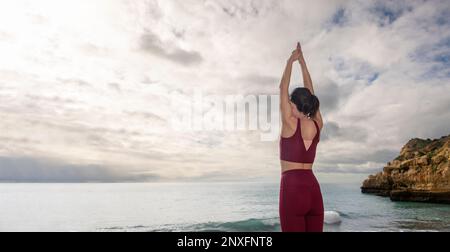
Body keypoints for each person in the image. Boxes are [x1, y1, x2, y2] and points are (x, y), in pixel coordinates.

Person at [278, 42, 324, 232]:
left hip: (292, 189)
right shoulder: (317, 123)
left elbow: (282, 86)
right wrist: (303, 64)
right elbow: (311, 92)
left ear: (296, 106)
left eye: (291, 102)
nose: (288, 104)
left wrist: (291, 61)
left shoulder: (290, 123)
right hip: (313, 189)